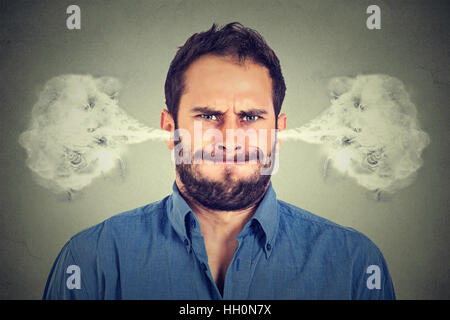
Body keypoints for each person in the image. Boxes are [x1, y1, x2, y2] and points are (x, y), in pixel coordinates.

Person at [43, 22, 395, 299]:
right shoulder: (91, 262)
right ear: (170, 128)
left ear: (278, 131)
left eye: (252, 117)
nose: (230, 136)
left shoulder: (354, 265)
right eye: (209, 116)